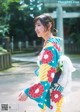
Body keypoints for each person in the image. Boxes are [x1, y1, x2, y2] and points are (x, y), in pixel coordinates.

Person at [18, 14, 75, 112]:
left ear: (48, 26)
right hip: (55, 88)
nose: (36, 28)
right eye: (35, 26)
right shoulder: (54, 42)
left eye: (39, 25)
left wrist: (27, 92)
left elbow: (46, 78)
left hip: (51, 89)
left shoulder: (50, 48)